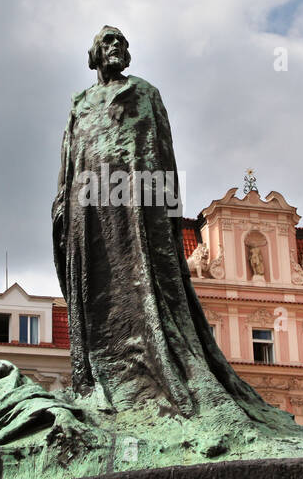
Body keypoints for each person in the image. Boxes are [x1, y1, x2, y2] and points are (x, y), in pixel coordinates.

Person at [52, 26, 288, 429]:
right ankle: (97, 376)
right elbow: (69, 154)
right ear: (93, 54)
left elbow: (164, 152)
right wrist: (62, 196)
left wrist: (166, 210)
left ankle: (147, 382)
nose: (116, 48)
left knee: (141, 281)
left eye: (122, 43)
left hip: (135, 195)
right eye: (108, 42)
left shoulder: (145, 92)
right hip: (87, 197)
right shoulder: (80, 102)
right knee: (93, 284)